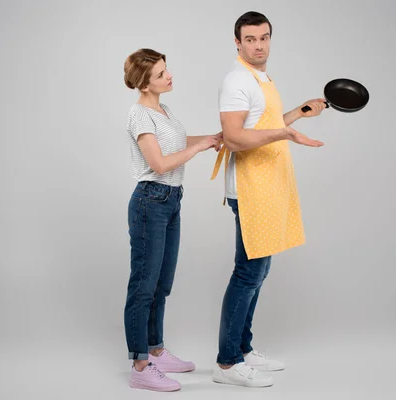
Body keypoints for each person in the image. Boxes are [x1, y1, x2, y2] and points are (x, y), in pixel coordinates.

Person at [210, 11, 327, 388]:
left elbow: (265, 122)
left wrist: (300, 114)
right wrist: (285, 134)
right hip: (249, 185)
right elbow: (233, 137)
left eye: (264, 38)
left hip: (267, 183)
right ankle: (227, 364)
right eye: (250, 39)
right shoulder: (236, 81)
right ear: (237, 42)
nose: (258, 45)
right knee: (248, 272)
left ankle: (243, 349)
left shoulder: (262, 78)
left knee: (258, 271)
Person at [123, 48, 221, 392]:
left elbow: (178, 143)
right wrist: (195, 150)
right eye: (162, 74)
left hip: (171, 199)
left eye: (167, 70)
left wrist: (209, 140)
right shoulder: (140, 115)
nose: (170, 76)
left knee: (162, 284)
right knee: (143, 287)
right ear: (145, 83)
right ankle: (140, 364)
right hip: (151, 200)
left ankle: (156, 350)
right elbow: (161, 163)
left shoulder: (163, 109)